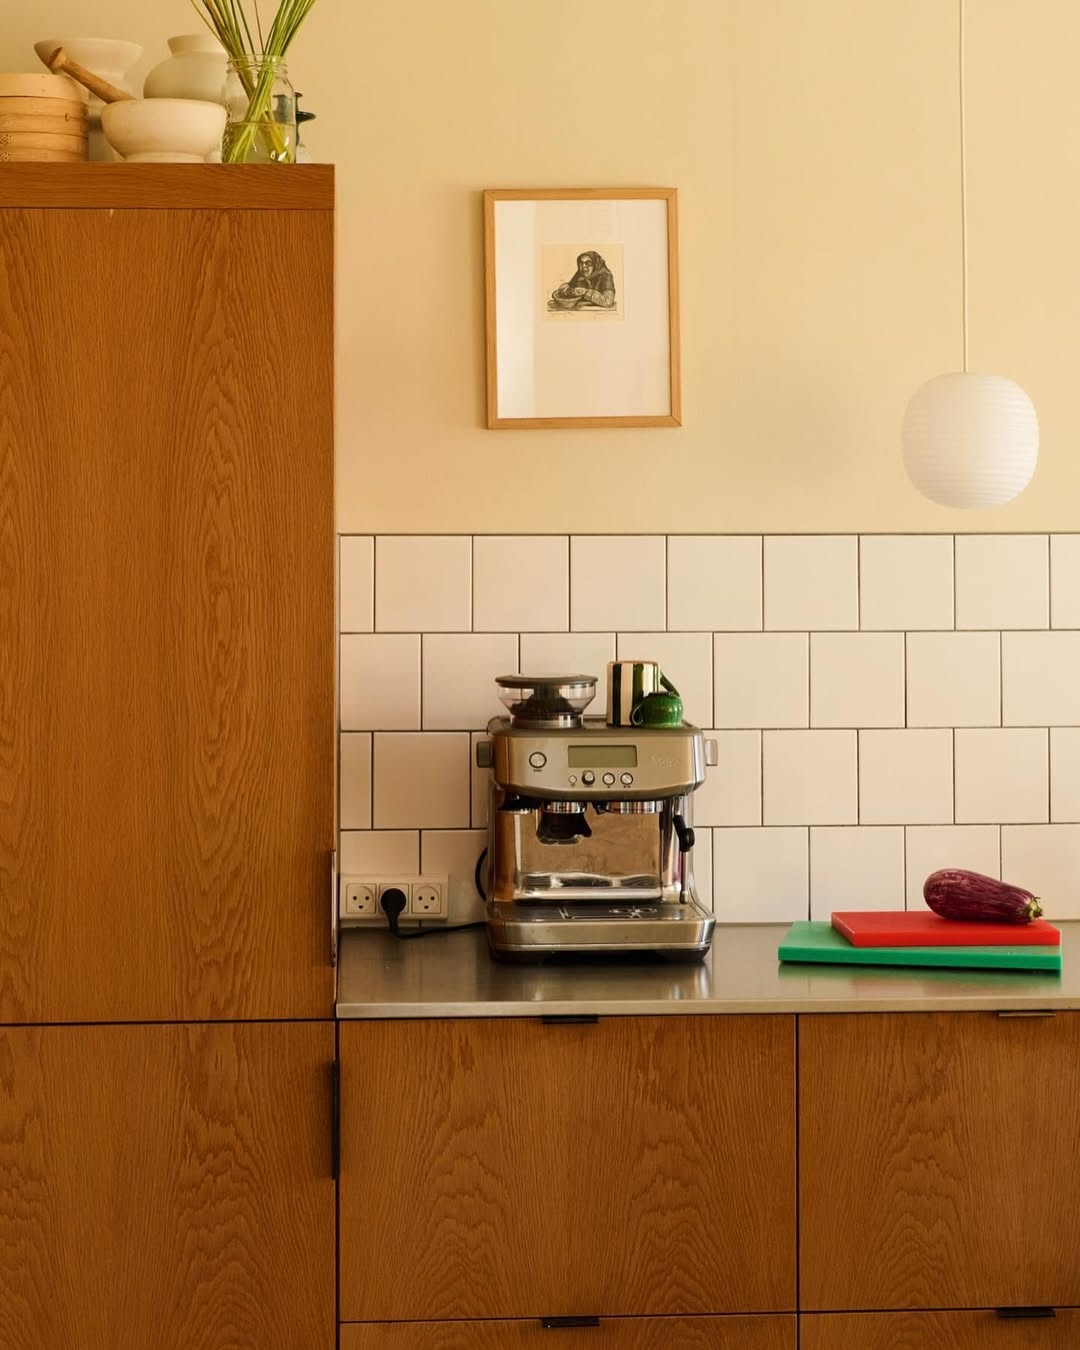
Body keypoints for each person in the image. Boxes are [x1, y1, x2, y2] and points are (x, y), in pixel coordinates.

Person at [549, 250, 616, 310]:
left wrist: (585, 292)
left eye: (588, 263)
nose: (583, 266)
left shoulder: (606, 275)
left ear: (595, 264)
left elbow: (608, 301)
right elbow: (571, 286)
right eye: (581, 263)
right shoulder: (581, 273)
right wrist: (565, 287)